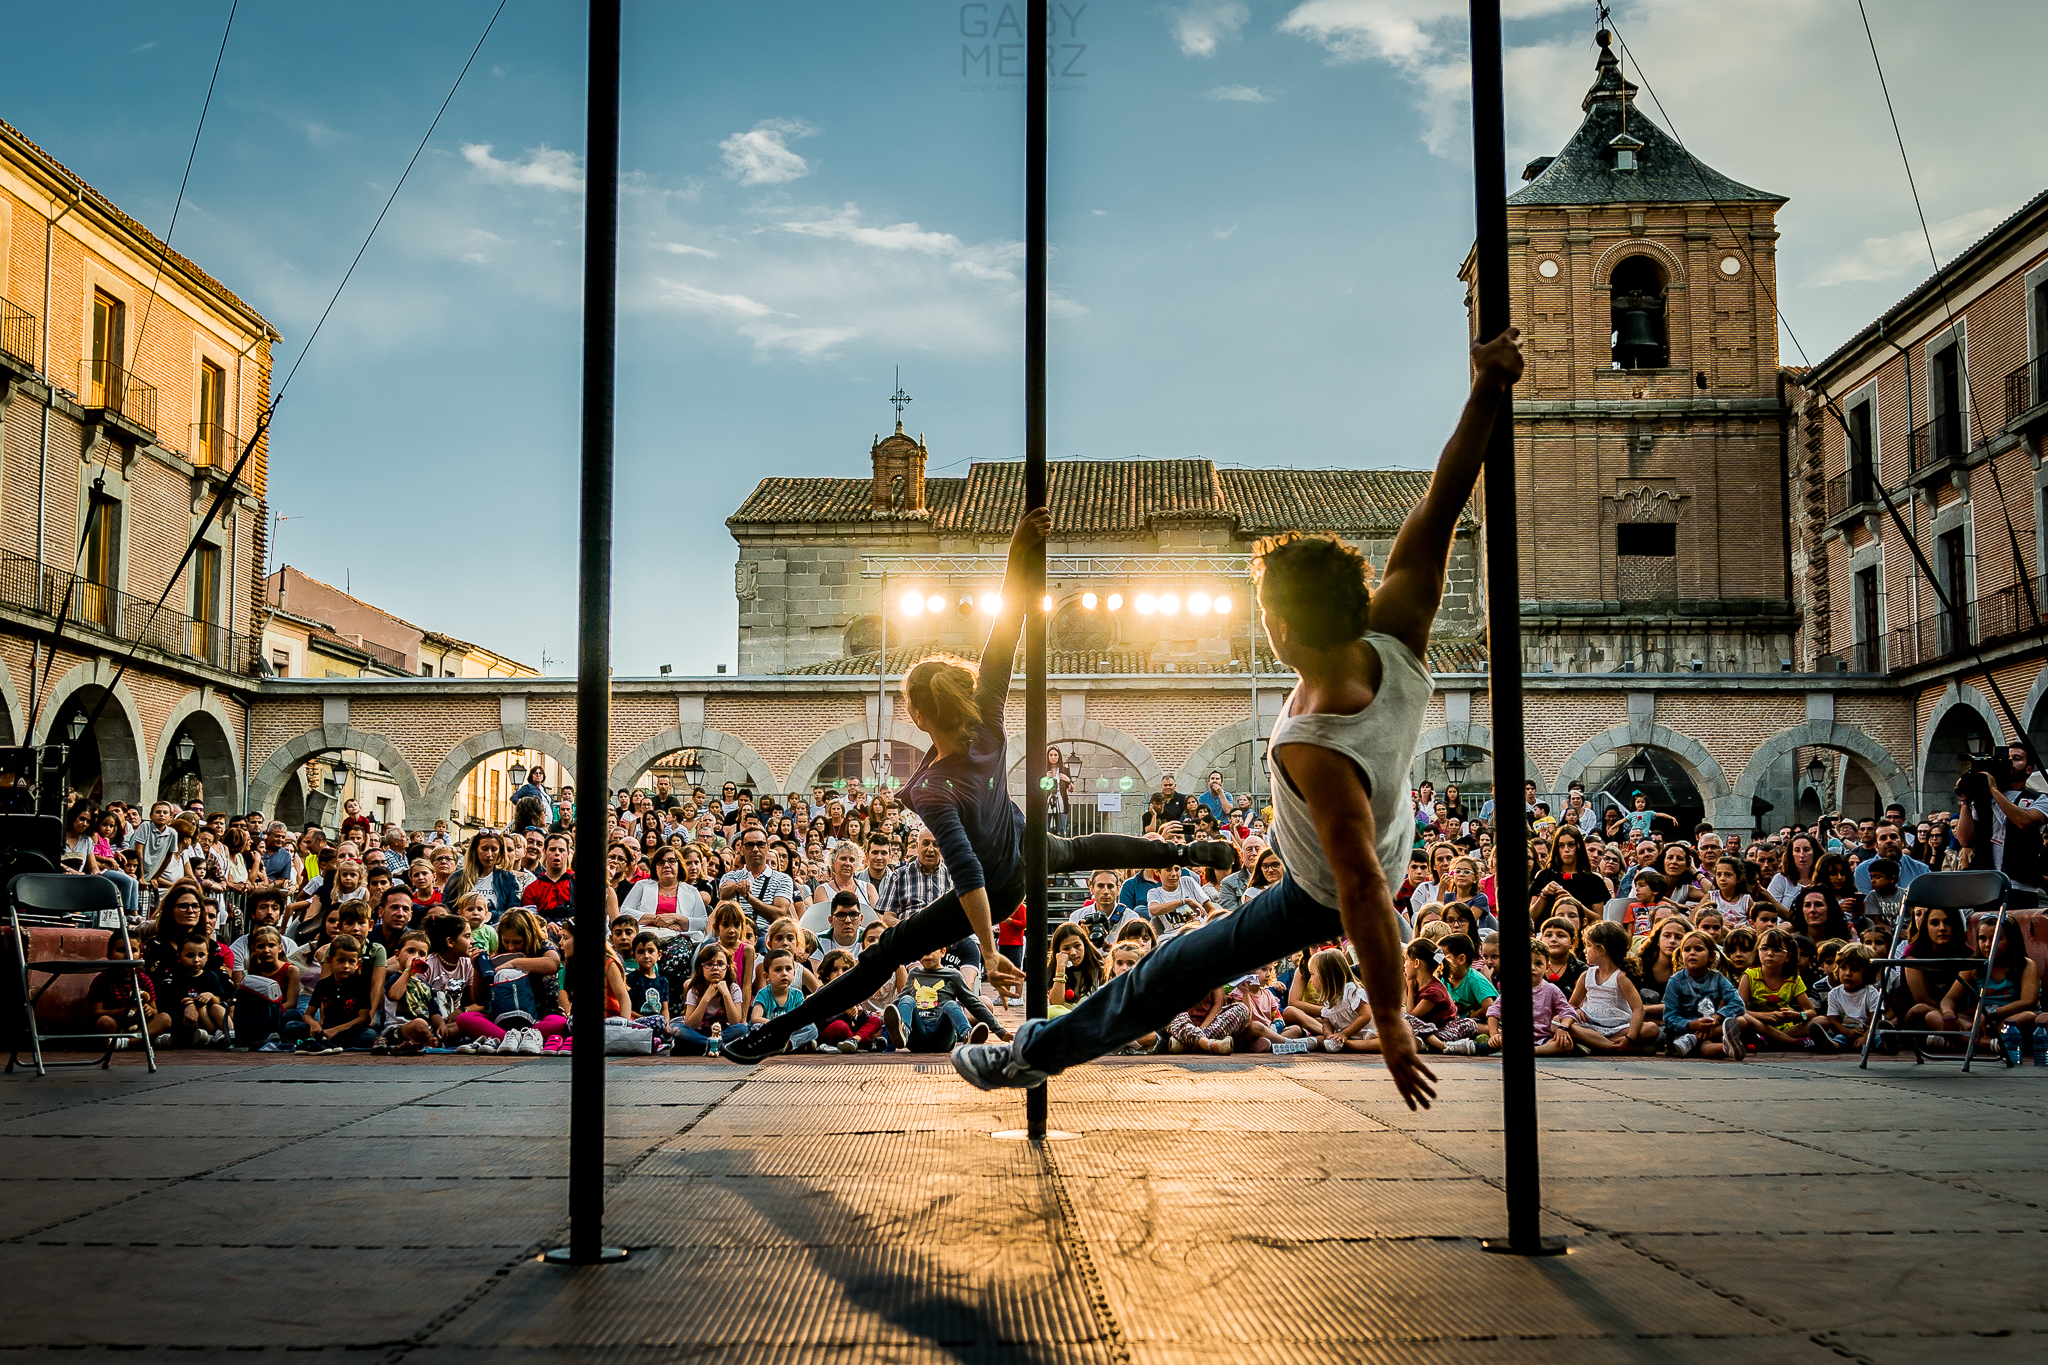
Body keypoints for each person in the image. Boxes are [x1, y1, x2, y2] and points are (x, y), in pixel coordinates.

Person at [955, 329, 1525, 1101]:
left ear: (1280, 628)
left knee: (1166, 969)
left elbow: (1360, 886)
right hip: (1382, 844)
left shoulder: (1314, 743)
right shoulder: (1398, 621)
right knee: (1175, 960)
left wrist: (1391, 1017)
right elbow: (1443, 498)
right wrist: (1487, 386)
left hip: (1319, 890)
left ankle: (1031, 1056)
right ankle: (1040, 1049)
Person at [723, 506, 1236, 1064]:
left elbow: (967, 869)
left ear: (918, 717)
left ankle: (773, 1034)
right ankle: (1182, 851)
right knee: (1081, 850)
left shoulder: (932, 787)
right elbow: (1006, 629)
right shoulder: (986, 719)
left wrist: (989, 951)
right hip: (1023, 846)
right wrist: (1019, 551)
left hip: (999, 881)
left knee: (882, 957)